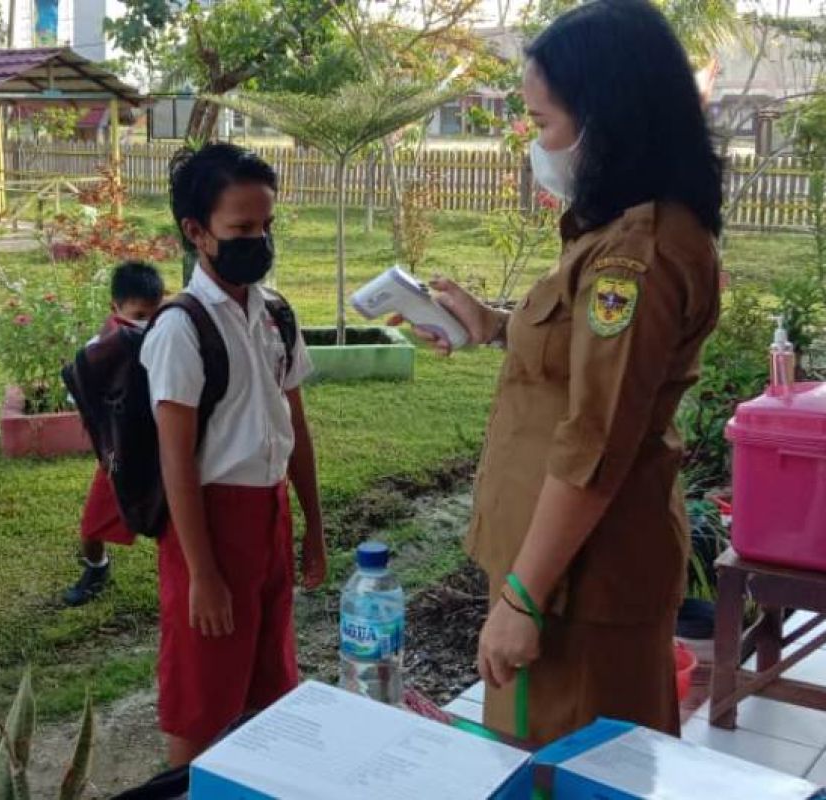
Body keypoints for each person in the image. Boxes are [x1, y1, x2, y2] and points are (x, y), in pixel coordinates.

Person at [400, 0, 722, 743]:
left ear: (609, 115)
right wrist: (497, 326)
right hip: (559, 575)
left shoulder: (635, 255)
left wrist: (522, 597)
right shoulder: (618, 231)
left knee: (566, 772)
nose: (538, 145)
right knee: (534, 761)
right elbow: (588, 358)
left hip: (578, 584)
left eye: (544, 123)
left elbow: (599, 435)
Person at [141, 143, 327, 766]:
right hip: (210, 531)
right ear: (197, 232)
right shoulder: (181, 328)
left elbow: (293, 425)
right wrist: (204, 575)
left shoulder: (275, 313)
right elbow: (176, 465)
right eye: (241, 229)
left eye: (267, 225)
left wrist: (314, 529)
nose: (259, 239)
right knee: (202, 702)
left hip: (269, 519)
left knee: (272, 688)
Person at [63, 260, 165, 607]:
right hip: (120, 453)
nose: (145, 324)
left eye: (153, 315)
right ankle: (97, 567)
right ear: (115, 309)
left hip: (164, 453)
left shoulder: (169, 339)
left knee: (170, 521)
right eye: (137, 315)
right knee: (92, 527)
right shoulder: (99, 351)